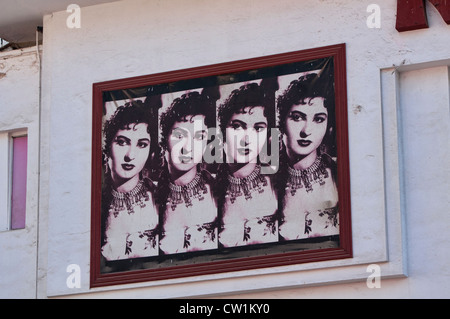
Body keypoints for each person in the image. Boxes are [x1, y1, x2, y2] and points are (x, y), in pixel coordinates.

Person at [276, 72, 339, 241]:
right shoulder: (267, 179)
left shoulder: (338, 172)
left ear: (328, 126)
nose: (306, 131)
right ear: (282, 121)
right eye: (297, 117)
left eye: (318, 119)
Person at [217, 82, 278, 248]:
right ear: (222, 132)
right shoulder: (209, 187)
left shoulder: (277, 184)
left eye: (258, 128)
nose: (247, 138)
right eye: (237, 126)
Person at [157, 91, 218, 255]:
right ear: (165, 140)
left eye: (199, 136)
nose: (188, 147)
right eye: (179, 135)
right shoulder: (149, 197)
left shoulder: (219, 192)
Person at [101, 100, 159, 261]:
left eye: (141, 144)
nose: (130, 155)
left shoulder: (160, 199)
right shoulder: (93, 204)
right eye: (122, 142)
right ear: (107, 147)